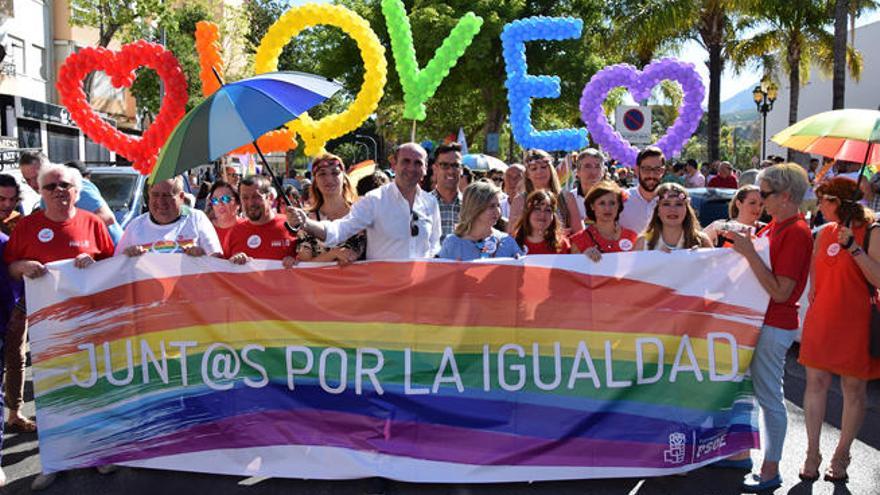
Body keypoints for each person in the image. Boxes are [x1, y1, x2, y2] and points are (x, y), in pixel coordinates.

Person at [3, 164, 116, 491]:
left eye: (64, 185)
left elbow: (114, 265)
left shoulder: (93, 223)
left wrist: (95, 265)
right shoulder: (27, 227)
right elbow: (11, 267)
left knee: (94, 389)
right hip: (46, 329)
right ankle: (54, 460)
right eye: (50, 186)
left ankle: (99, 453)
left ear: (77, 191)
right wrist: (22, 266)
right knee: (53, 396)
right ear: (40, 191)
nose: (58, 191)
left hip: (89, 324)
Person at [728, 163, 813, 493]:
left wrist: (749, 253)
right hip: (761, 321)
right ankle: (751, 459)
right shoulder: (779, 226)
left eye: (764, 194)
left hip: (773, 324)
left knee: (769, 398)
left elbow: (781, 291)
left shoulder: (795, 232)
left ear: (786, 196)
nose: (759, 200)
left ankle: (770, 469)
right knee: (760, 394)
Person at [798, 177, 880, 483]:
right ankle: (811, 452)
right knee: (815, 384)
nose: (818, 205)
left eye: (823, 199)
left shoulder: (872, 231)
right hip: (823, 319)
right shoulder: (823, 233)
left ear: (840, 202)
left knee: (853, 389)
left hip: (856, 321)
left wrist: (854, 248)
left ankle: (842, 454)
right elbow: (815, 281)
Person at [287, 143, 441, 260]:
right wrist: (306, 223)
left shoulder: (431, 203)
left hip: (419, 295)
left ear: (426, 168)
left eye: (418, 163)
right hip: (384, 295)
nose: (411, 168)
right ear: (394, 165)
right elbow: (339, 230)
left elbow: (434, 245)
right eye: (405, 161)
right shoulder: (374, 200)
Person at [116, 177, 222, 257]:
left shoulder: (196, 219)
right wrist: (126, 256)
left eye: (167, 195)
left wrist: (202, 255)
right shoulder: (135, 226)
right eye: (155, 195)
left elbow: (216, 259)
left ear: (181, 197)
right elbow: (115, 268)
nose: (161, 201)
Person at [296, 154, 365, 266]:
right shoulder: (307, 220)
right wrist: (333, 254)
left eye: (335, 173)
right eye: (322, 174)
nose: (329, 179)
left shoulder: (362, 212)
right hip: (320, 283)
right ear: (316, 182)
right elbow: (304, 266)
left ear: (344, 178)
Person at [438, 181, 522, 261]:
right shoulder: (453, 243)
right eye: (491, 206)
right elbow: (440, 273)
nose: (498, 211)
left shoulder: (507, 241)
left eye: (498, 205)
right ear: (475, 208)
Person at [227, 175, 298, 266]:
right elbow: (221, 271)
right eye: (245, 198)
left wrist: (297, 261)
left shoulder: (291, 226)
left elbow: (310, 263)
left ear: (270, 198)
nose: (251, 203)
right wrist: (232, 261)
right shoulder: (234, 232)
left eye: (256, 196)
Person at [508, 149, 583, 236]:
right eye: (534, 168)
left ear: (551, 170)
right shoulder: (520, 201)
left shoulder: (567, 198)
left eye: (544, 167)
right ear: (528, 174)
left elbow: (578, 233)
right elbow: (512, 235)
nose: (539, 172)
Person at [570, 181, 638, 261]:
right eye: (602, 203)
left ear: (619, 205)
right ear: (592, 206)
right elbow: (572, 271)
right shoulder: (579, 240)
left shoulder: (632, 237)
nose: (607, 208)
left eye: (612, 203)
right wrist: (582, 258)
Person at [635, 183, 712, 251]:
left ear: (687, 209)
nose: (672, 210)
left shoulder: (702, 241)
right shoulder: (643, 243)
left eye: (679, 204)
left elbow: (717, 266)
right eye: (666, 204)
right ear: (657, 210)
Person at [619, 146, 665, 235]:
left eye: (657, 170)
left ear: (663, 171)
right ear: (636, 170)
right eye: (646, 169)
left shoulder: (672, 202)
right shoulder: (621, 200)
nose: (651, 175)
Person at [431, 143, 463, 242]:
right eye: (444, 165)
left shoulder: (472, 205)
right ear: (435, 169)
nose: (450, 171)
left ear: (461, 170)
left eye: (455, 165)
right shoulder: (422, 205)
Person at [208, 180, 244, 254]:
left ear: (238, 204)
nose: (220, 204)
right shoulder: (205, 228)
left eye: (225, 199)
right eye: (215, 200)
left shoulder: (247, 228)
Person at [572, 148, 606, 220]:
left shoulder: (613, 199)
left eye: (597, 166)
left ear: (603, 172)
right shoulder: (568, 199)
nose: (593, 172)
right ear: (578, 172)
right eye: (587, 166)